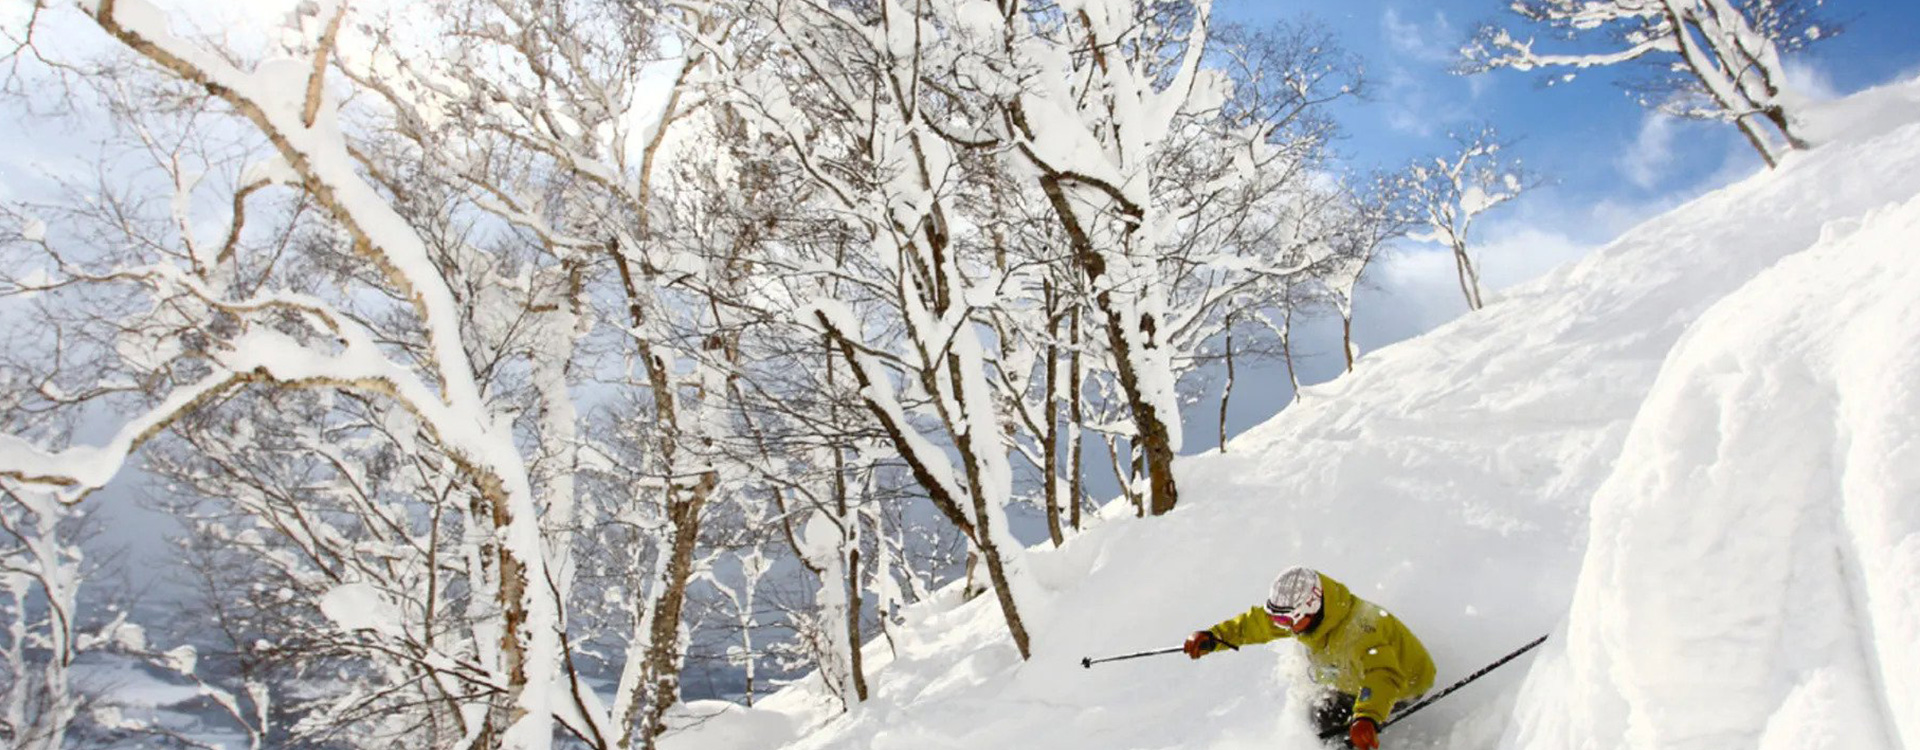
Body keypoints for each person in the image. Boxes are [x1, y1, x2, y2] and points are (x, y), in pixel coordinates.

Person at [1183, 566, 1435, 749]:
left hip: (1404, 685)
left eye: (1285, 620)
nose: (1281, 626)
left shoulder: (1361, 629)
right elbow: (1256, 624)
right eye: (1278, 619)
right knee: (1319, 716)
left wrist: (1367, 717)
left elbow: (1384, 677)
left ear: (1310, 608)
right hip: (1351, 681)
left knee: (1341, 729)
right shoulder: (1301, 619)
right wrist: (1214, 637)